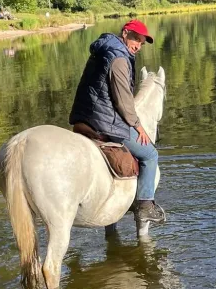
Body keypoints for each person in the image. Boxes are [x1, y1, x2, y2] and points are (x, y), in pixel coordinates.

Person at [70, 20, 166, 227]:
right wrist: (137, 126)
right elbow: (123, 100)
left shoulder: (103, 50)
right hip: (104, 122)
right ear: (125, 33)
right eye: (135, 39)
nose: (138, 46)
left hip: (83, 117)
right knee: (150, 154)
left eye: (141, 43)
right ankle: (145, 207)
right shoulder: (119, 58)